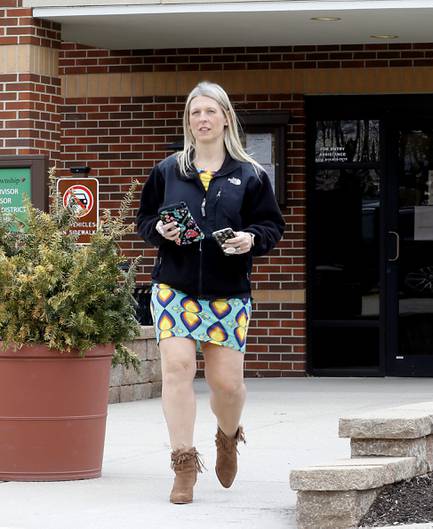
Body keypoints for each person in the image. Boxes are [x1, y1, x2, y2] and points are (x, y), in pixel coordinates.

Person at [136, 81, 285, 504]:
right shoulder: (168, 170)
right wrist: (159, 231)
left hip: (227, 292)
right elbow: (144, 219)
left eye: (209, 112)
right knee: (178, 369)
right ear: (189, 121)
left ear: (225, 118)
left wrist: (250, 239)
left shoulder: (250, 174)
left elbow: (271, 225)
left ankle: (227, 437)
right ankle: (183, 464)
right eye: (195, 112)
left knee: (227, 386)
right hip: (174, 288)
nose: (202, 119)